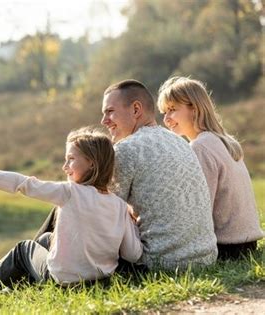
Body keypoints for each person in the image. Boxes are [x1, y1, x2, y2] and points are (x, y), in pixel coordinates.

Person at [0, 127, 143, 304]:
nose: (65, 167)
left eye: (71, 159)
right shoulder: (119, 206)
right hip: (98, 282)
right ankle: (13, 288)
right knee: (46, 239)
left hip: (63, 281)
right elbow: (133, 254)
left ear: (92, 163)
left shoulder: (70, 192)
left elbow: (23, 184)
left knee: (23, 250)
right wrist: (133, 224)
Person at [35, 79, 218, 270]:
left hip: (161, 262)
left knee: (60, 217)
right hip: (204, 257)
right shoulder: (179, 142)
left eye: (110, 112)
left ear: (136, 109)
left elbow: (97, 214)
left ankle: (37, 263)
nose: (104, 121)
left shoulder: (126, 150)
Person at [158, 76, 264, 260]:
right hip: (247, 242)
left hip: (228, 247)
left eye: (172, 110)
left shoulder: (200, 147)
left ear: (195, 108)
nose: (166, 118)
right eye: (164, 112)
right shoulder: (223, 140)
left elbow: (198, 209)